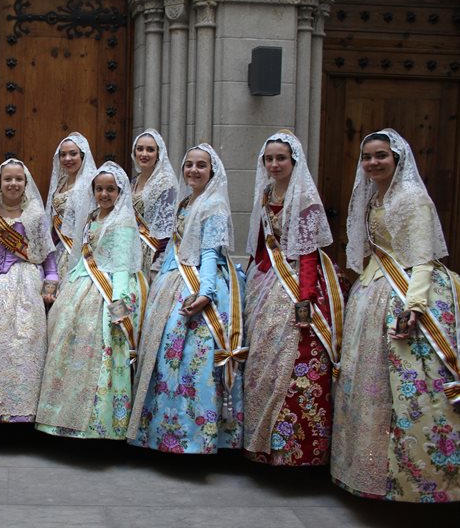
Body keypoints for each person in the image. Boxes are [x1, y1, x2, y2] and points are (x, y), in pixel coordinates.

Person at [332, 129, 460, 502]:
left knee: (408, 387)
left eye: (381, 156)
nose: (373, 163)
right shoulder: (374, 197)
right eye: (367, 157)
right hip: (374, 290)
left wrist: (414, 306)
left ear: (397, 158)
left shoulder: (412, 198)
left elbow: (422, 258)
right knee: (368, 384)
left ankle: (414, 480)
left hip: (409, 294)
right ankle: (363, 470)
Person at [127, 144, 246, 454]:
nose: (193, 170)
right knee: (165, 357)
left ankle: (194, 437)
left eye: (201, 166)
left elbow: (209, 252)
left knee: (192, 359)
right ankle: (162, 432)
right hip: (172, 279)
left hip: (198, 283)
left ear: (212, 171)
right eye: (189, 165)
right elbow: (174, 249)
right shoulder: (186, 203)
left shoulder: (214, 205)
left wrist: (205, 292)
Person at [242, 131, 344, 466]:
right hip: (267, 278)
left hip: (298, 281)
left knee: (292, 357)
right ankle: (258, 443)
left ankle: (292, 451)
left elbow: (310, 254)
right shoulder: (266, 192)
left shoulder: (304, 199)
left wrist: (305, 299)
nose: (273, 164)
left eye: (280, 158)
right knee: (260, 360)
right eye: (269, 159)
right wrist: (251, 277)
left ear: (293, 161)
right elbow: (261, 243)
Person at [36, 161, 146, 440]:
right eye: (99, 189)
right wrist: (68, 281)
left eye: (110, 189)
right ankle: (62, 417)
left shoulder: (121, 221)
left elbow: (121, 266)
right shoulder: (92, 217)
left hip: (108, 291)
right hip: (83, 283)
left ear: (120, 191)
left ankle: (99, 424)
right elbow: (82, 257)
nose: (104, 194)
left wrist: (119, 305)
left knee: (101, 353)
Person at [0, 159, 58, 422]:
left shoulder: (36, 215)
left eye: (18, 179)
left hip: (25, 284)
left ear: (26, 183)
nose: (13, 184)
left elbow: (48, 261)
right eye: (8, 179)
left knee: (24, 343)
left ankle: (21, 409)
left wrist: (50, 282)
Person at [45, 133, 97, 282]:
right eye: (63, 155)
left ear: (82, 155)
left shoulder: (91, 184)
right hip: (57, 246)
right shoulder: (60, 182)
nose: (67, 159)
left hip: (78, 250)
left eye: (73, 154)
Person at [130, 129, 177, 279]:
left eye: (150, 150)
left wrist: (157, 265)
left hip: (151, 252)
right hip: (128, 250)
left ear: (158, 154)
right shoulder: (132, 182)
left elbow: (167, 227)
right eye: (140, 149)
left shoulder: (166, 184)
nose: (144, 154)